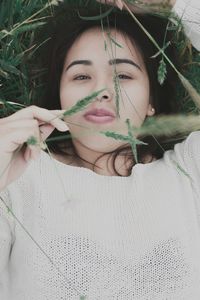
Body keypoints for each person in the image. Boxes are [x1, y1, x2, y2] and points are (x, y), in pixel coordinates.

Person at [0, 0, 199, 299]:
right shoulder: (17, 180)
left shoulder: (190, 173)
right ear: (61, 97)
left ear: (150, 102)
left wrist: (175, 4)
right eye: (81, 76)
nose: (101, 90)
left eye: (123, 75)